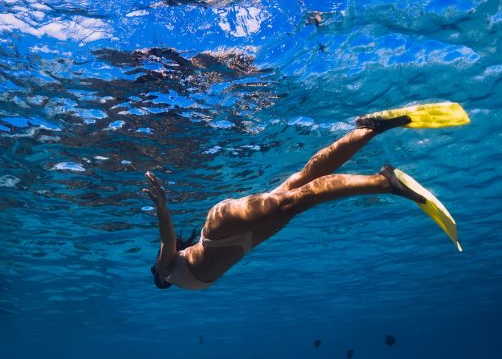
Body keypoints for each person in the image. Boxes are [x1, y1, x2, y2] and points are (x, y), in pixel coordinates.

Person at [147, 102, 469, 290]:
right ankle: (370, 128)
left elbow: (167, 243)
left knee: (296, 199)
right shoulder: (177, 274)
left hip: (218, 228)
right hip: (244, 241)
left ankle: (384, 182)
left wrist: (162, 206)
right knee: (303, 184)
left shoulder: (165, 272)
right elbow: (171, 246)